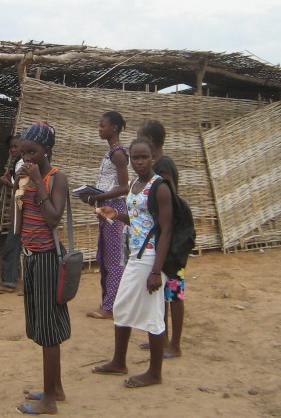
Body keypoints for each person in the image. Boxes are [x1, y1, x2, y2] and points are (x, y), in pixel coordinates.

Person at [92, 137, 173, 388]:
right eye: (135, 157)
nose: (139, 161)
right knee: (122, 306)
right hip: (134, 256)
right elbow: (139, 221)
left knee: (153, 315)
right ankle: (118, 362)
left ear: (152, 158)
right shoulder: (137, 184)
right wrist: (116, 215)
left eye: (143, 157)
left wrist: (157, 271)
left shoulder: (159, 187)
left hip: (149, 259)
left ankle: (155, 373)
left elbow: (166, 230)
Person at [14, 122, 70, 415]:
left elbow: (53, 219)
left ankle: (48, 401)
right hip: (31, 255)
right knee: (38, 324)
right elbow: (21, 217)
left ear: (47, 150)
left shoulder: (56, 177)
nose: (27, 158)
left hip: (48, 257)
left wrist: (37, 182)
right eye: (24, 153)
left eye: (32, 152)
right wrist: (19, 185)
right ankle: (56, 389)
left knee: (48, 330)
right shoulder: (28, 175)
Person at [136, 119, 184, 358]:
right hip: (168, 236)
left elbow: (169, 203)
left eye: (141, 138)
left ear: (151, 142)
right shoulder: (163, 164)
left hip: (172, 240)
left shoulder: (163, 167)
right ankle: (162, 338)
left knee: (174, 292)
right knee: (165, 291)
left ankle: (174, 344)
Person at [78, 111, 130, 319]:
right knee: (107, 257)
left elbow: (124, 187)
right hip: (107, 207)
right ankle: (110, 303)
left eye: (103, 126)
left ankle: (110, 307)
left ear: (114, 128)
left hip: (114, 210)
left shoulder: (118, 154)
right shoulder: (111, 153)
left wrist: (98, 198)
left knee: (114, 260)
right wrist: (94, 196)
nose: (100, 129)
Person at [0, 134, 24, 295]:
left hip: (22, 211)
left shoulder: (22, 163)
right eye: (11, 147)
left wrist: (7, 183)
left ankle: (8, 282)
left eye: (16, 146)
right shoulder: (19, 163)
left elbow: (22, 189)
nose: (13, 149)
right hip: (23, 210)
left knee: (12, 245)